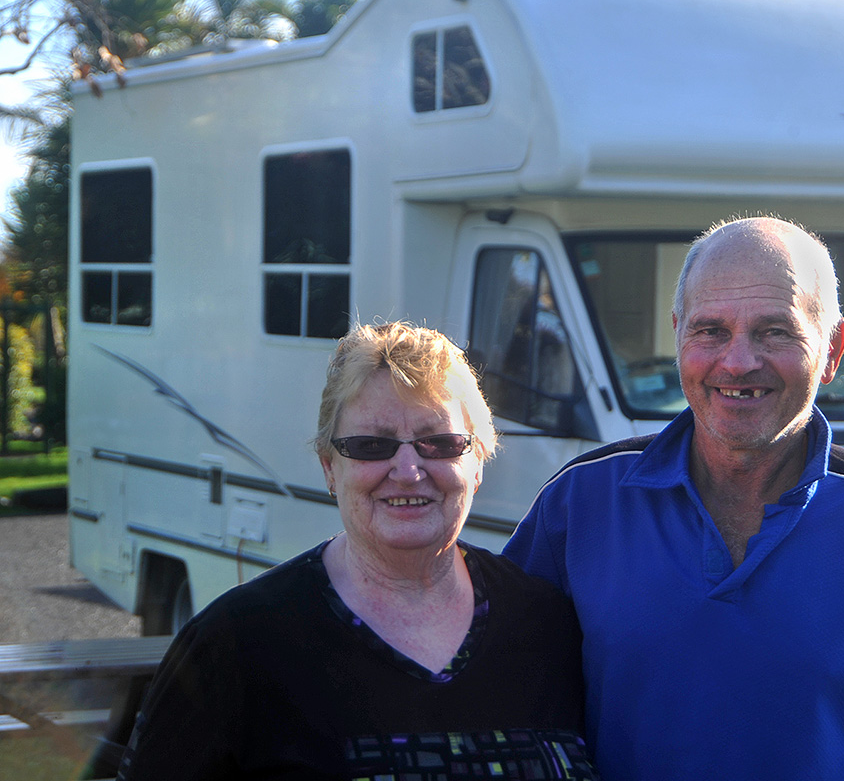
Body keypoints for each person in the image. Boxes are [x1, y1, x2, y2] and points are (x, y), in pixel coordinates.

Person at [504, 217, 844, 780]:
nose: (738, 362)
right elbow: (498, 707)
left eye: (774, 331)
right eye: (711, 330)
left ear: (832, 348)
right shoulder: (582, 501)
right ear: (678, 336)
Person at [118, 321, 596, 780]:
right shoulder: (236, 644)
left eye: (440, 443)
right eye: (371, 445)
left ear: (477, 463)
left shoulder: (548, 624)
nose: (408, 471)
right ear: (330, 467)